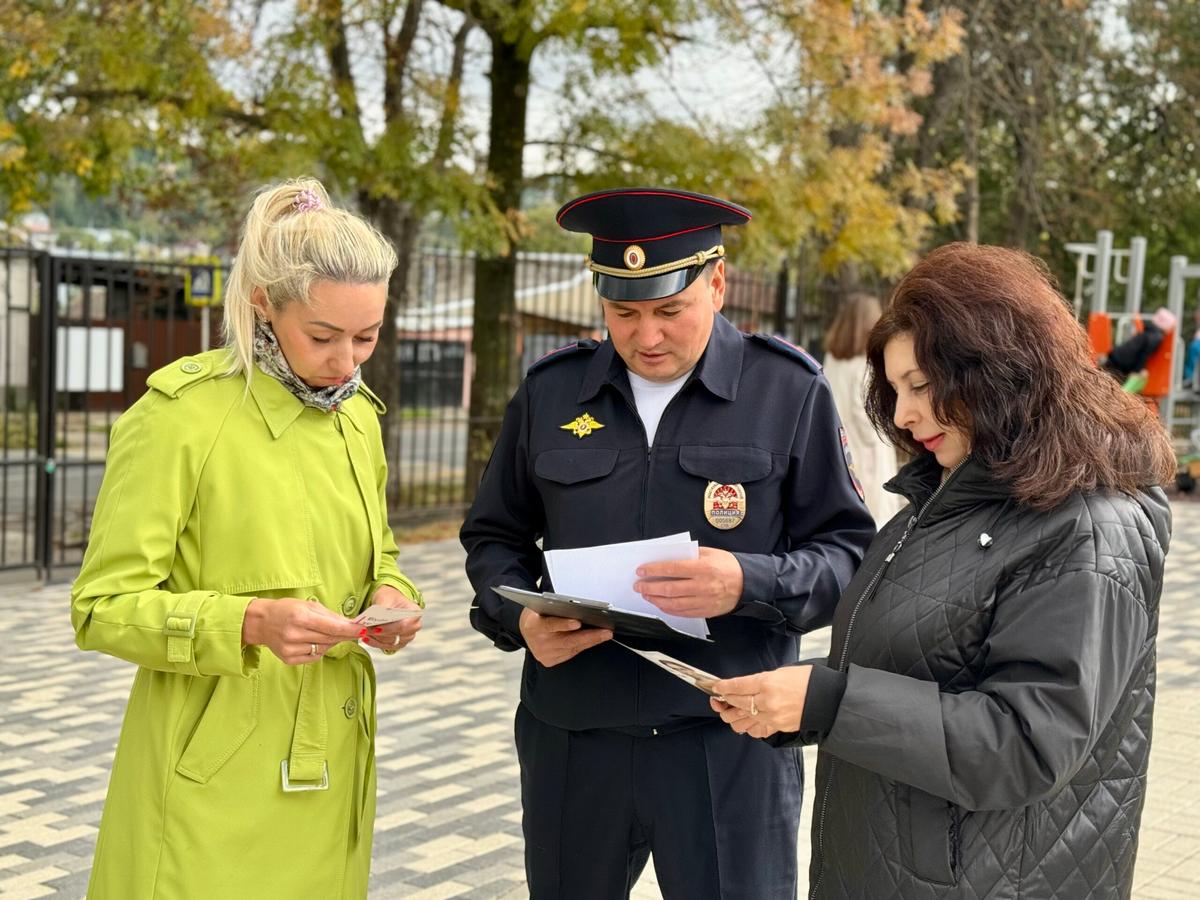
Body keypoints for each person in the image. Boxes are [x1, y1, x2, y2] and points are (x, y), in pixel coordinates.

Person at [711, 243, 1174, 899]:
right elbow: (918, 672)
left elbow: (1027, 742)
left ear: (999, 368)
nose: (902, 415)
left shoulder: (1089, 526)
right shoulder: (947, 494)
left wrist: (832, 701)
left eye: (921, 387)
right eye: (896, 390)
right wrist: (804, 706)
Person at [461, 187, 875, 899]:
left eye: (669, 310)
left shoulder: (787, 391)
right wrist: (520, 619)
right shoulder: (552, 394)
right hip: (575, 740)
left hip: (726, 741)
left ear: (716, 284)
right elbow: (495, 537)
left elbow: (848, 555)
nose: (646, 336)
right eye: (624, 313)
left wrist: (749, 580)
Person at [71, 178, 424, 899]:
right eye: (323, 336)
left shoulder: (358, 418)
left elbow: (379, 554)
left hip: (333, 763)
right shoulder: (178, 418)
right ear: (263, 301)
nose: (348, 361)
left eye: (369, 335)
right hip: (209, 785)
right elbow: (100, 606)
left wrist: (395, 595)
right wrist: (249, 622)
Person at [822, 292, 903, 525]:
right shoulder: (865, 367)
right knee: (874, 520)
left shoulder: (832, 360)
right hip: (867, 457)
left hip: (839, 449)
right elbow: (867, 419)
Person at [1098, 305, 1177, 389]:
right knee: (1111, 386)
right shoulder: (1157, 337)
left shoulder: (1149, 332)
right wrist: (1137, 370)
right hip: (1122, 363)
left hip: (1117, 357)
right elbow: (1144, 354)